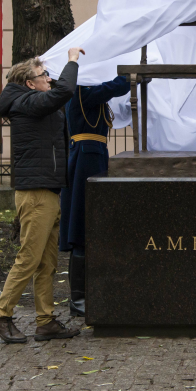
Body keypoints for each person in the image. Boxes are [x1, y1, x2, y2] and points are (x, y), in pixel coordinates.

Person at [0, 48, 85, 344]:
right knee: (29, 258)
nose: (49, 78)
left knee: (47, 261)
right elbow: (66, 89)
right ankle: (1, 316)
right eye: (44, 75)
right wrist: (72, 60)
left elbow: (59, 95)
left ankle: (46, 322)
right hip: (36, 194)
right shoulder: (27, 102)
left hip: (48, 190)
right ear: (30, 83)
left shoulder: (29, 101)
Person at [59, 74, 130, 317]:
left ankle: (91, 292)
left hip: (96, 154)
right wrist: (128, 78)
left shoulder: (90, 91)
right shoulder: (80, 89)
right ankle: (78, 297)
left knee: (92, 228)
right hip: (84, 159)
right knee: (81, 227)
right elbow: (113, 88)